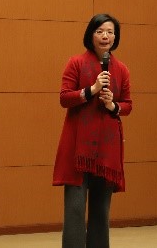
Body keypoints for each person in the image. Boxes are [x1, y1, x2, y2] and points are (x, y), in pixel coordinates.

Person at [53, 13, 132, 248]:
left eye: (110, 32)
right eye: (99, 31)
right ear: (91, 35)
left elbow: (128, 105)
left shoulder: (122, 69)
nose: (105, 36)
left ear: (115, 37)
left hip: (107, 151)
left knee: (101, 210)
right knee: (75, 209)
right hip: (77, 149)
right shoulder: (76, 63)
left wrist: (112, 105)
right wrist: (92, 89)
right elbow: (64, 98)